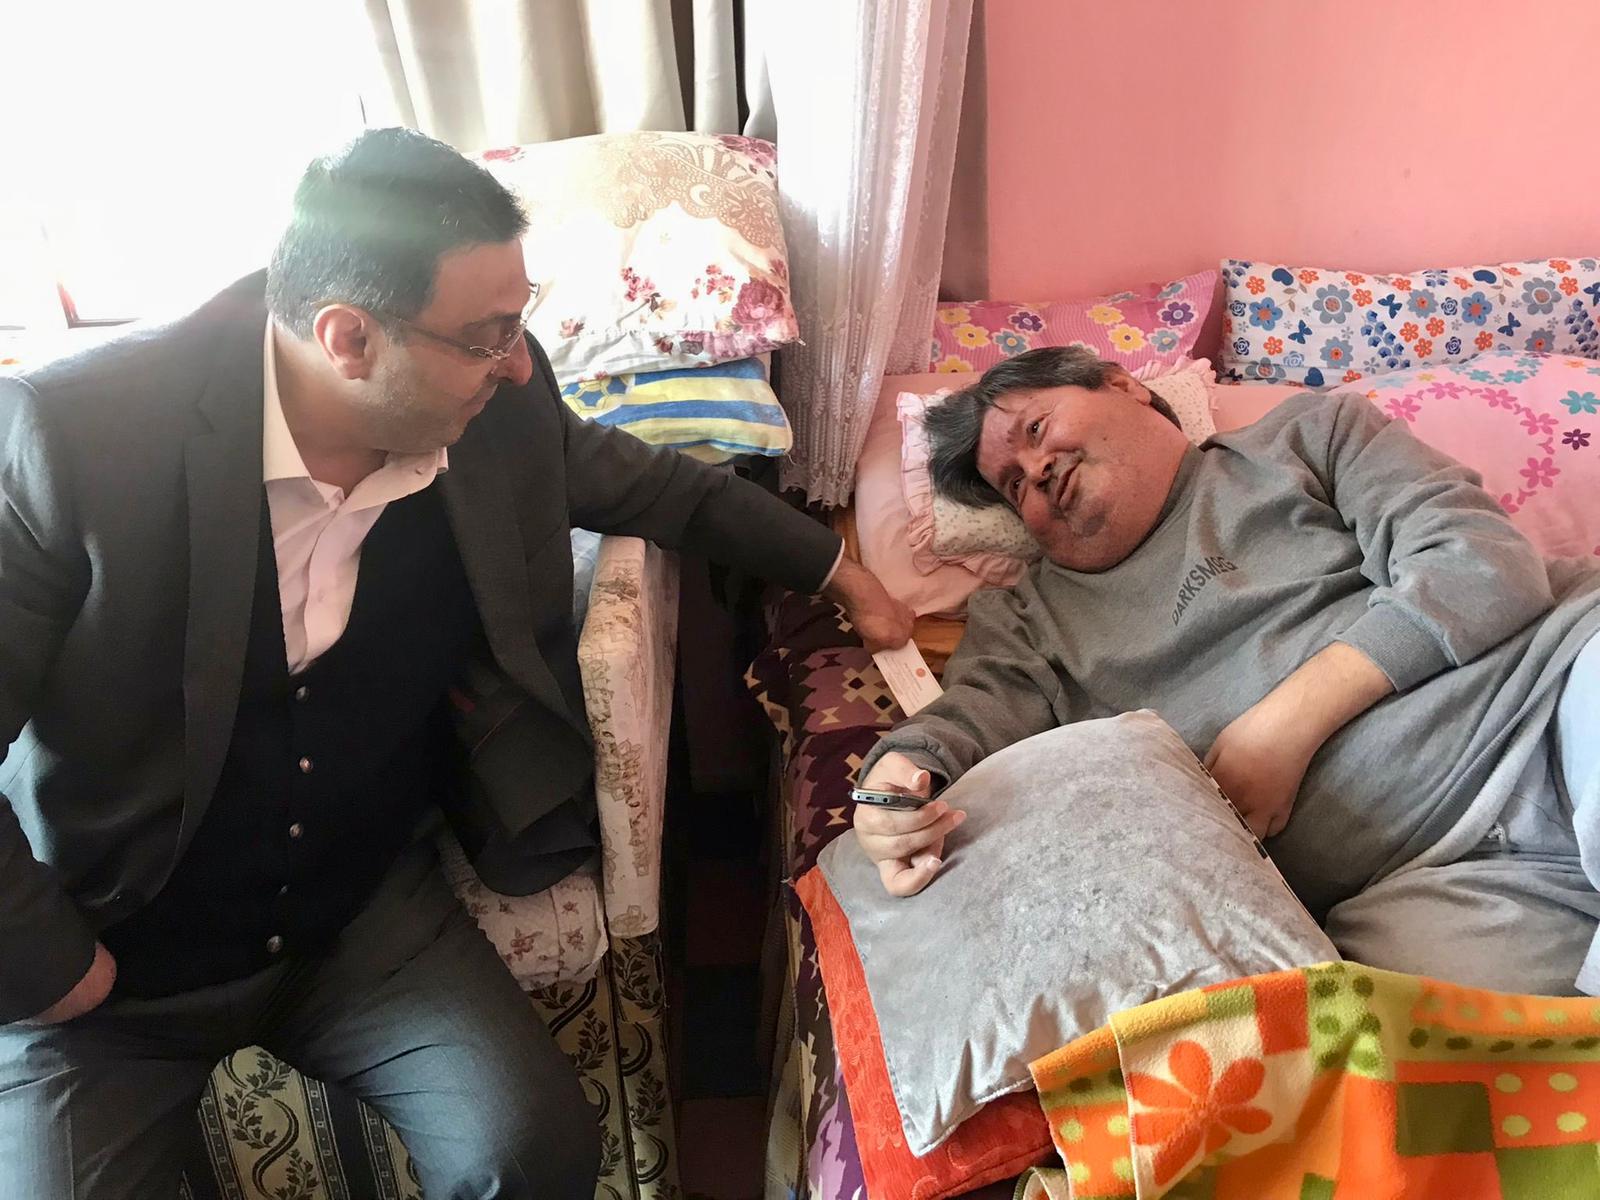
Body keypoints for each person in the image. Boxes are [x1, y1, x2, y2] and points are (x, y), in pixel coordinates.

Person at [0, 127, 910, 1200]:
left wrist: (836, 570)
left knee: (530, 1152)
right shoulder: (81, 440)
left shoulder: (499, 411)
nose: (518, 363)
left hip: (358, 912)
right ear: (347, 339)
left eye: (519, 323)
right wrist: (52, 965)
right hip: (120, 948)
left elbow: (655, 486)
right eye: (486, 337)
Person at [852, 345, 1600, 997]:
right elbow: (972, 718)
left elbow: (1481, 560)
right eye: (1014, 486)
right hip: (1424, 888)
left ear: (1122, 385)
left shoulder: (1308, 435)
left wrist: (1285, 725)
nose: (1037, 471)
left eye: (1037, 430)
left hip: (1553, 694)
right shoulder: (1027, 618)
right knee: (1426, 1056)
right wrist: (894, 782)